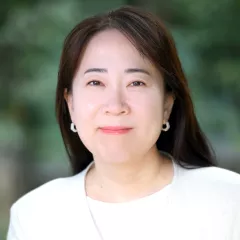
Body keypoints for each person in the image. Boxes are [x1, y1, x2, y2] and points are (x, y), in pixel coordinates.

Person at [7, 5, 240, 240]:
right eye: (96, 83)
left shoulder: (229, 199)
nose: (116, 106)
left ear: (167, 105)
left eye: (136, 83)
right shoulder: (33, 216)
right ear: (71, 104)